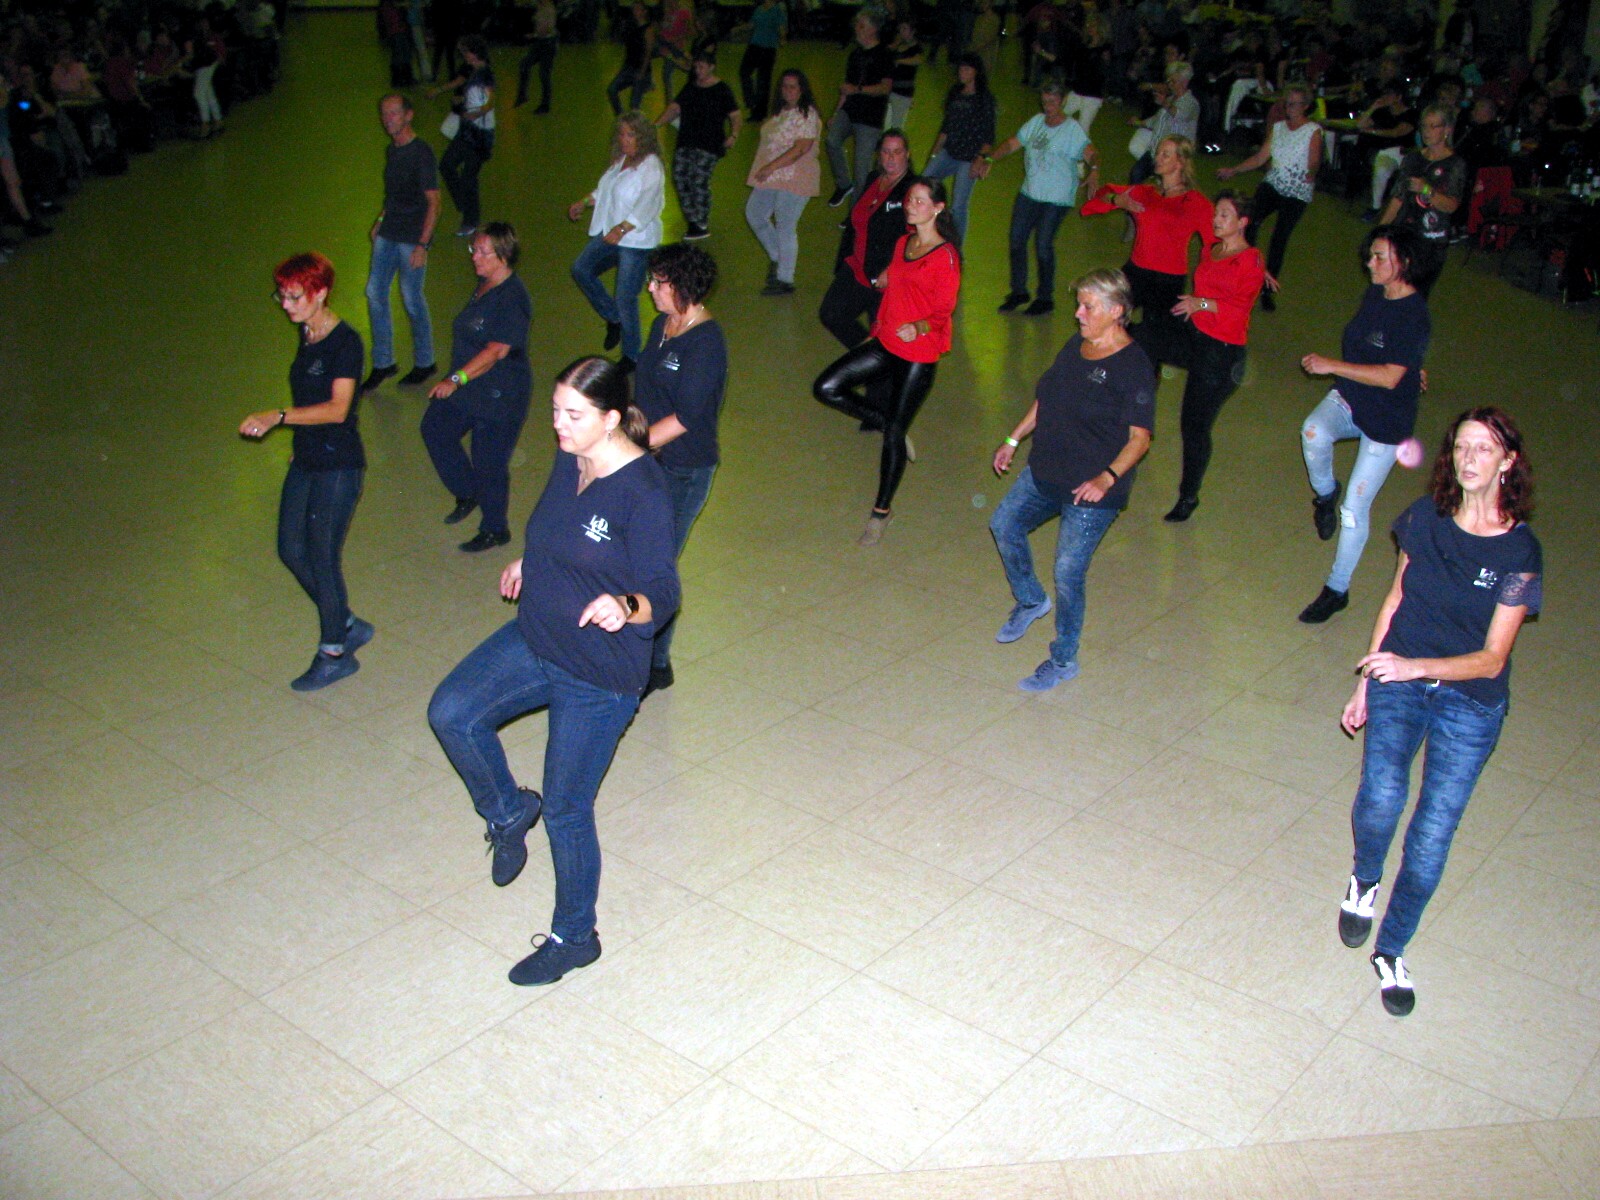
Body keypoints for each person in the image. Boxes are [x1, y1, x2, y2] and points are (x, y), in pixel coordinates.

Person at [428, 356, 679, 987]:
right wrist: (529, 561)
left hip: (598, 673)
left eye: (573, 414)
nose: (558, 426)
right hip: (539, 636)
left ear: (611, 419)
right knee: (452, 713)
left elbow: (664, 590)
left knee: (567, 808)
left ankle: (576, 937)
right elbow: (552, 532)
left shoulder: (644, 492)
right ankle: (509, 811)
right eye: (555, 412)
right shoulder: (573, 458)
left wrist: (625, 606)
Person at [1337, 407, 1541, 1017]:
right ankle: (1365, 878)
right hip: (1400, 674)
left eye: (1485, 448)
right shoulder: (1424, 517)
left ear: (1507, 462)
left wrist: (1412, 667)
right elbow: (1396, 598)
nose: (1469, 458)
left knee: (1430, 837)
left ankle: (1392, 947)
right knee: (1382, 795)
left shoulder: (1520, 553)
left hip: (1470, 701)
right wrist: (1370, 680)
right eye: (1462, 446)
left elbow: (1492, 659)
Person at [989, 268, 1155, 691]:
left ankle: (1063, 659)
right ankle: (1031, 600)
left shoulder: (1134, 366)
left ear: (1116, 311)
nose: (1078, 313)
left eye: (1088, 306)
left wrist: (1107, 478)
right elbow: (1047, 398)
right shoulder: (1076, 345)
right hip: (1047, 469)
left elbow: (1140, 439)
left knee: (1067, 572)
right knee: (1004, 525)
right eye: (1079, 304)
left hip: (1092, 490)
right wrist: (1013, 438)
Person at [239, 253, 372, 691]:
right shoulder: (307, 331)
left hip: (339, 465)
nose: (285, 305)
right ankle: (346, 622)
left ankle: (334, 653)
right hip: (308, 458)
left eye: (294, 297)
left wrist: (278, 417)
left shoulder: (345, 343)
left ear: (321, 293)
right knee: (290, 548)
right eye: (281, 295)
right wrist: (298, 445)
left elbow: (337, 409)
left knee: (321, 557)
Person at [813, 177, 961, 546]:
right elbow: (892, 292)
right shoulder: (902, 243)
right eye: (910, 199)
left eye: (921, 201)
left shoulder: (945, 257)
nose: (911, 205)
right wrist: (876, 330)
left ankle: (881, 512)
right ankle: (889, 424)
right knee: (827, 387)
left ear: (938, 208)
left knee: (892, 436)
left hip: (919, 353)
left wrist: (919, 326)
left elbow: (944, 311)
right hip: (885, 341)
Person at [1297, 225, 1432, 624]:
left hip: (1387, 420)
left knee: (1354, 510)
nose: (1369, 263)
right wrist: (1412, 367)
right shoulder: (1376, 293)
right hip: (1352, 398)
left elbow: (1390, 376)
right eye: (1370, 255)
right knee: (1313, 431)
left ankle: (1337, 589)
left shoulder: (1415, 315)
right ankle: (1325, 494)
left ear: (1404, 263)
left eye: (1379, 257)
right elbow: (1373, 346)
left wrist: (1332, 366)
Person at [635, 243, 727, 695]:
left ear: (686, 286)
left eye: (659, 282)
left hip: (683, 470)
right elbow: (645, 388)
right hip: (650, 462)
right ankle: (640, 653)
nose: (650, 289)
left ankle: (655, 664)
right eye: (651, 280)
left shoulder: (706, 343)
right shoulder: (662, 325)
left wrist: (628, 448)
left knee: (656, 567)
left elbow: (688, 416)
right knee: (637, 558)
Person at [422, 222, 534, 552]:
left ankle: (495, 529)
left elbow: (496, 351)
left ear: (504, 256)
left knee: (489, 463)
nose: (474, 257)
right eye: (474, 249)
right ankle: (468, 492)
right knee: (436, 428)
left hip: (500, 392)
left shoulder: (512, 298)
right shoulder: (484, 284)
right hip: (472, 384)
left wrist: (455, 379)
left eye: (483, 252)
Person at [1163, 190, 1265, 522]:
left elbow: (1238, 310)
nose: (1216, 220)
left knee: (1194, 426)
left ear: (1242, 222)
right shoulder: (1211, 249)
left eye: (1224, 215)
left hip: (1222, 355)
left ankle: (1188, 496)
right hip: (1196, 336)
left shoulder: (1251, 260)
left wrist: (1201, 303)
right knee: (1144, 336)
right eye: (1216, 214)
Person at [981, 81, 1100, 317]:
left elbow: (1091, 152)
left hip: (1056, 198)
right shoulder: (1036, 122)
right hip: (1030, 193)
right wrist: (991, 158)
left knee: (1043, 245)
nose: (1048, 106)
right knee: (1017, 241)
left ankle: (1045, 298)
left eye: (1053, 101)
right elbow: (1013, 143)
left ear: (1063, 101)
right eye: (1045, 101)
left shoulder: (1072, 129)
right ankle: (1019, 292)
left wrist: (1095, 169)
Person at [1103, 135, 1213, 367]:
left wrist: (1247, 261)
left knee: (1154, 341)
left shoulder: (1195, 202)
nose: (1158, 159)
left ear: (1180, 162)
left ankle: (1145, 381)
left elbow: (1214, 244)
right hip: (1136, 271)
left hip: (1168, 280)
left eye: (1166, 155)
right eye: (1158, 153)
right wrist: (1115, 200)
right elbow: (1097, 199)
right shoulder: (1146, 192)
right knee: (1106, 315)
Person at [569, 112, 666, 365]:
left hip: (636, 241)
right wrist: (584, 202)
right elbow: (605, 190)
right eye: (621, 134)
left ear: (643, 137)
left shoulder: (651, 166)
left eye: (631, 134)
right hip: (610, 232)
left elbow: (647, 205)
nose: (624, 139)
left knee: (626, 298)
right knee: (581, 269)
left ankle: (631, 356)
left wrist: (622, 229)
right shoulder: (622, 159)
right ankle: (614, 317)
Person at [1216, 82, 1321, 312]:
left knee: (1279, 239)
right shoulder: (1279, 127)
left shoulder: (1312, 131)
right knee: (1249, 223)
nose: (1290, 108)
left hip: (1297, 191)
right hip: (1273, 184)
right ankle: (1244, 271)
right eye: (1288, 103)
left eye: (1295, 104)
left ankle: (1267, 289)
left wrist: (1311, 173)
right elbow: (1261, 157)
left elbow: (1314, 161)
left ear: (1306, 106)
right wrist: (1234, 170)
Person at [363, 93, 440, 394]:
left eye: (394, 113)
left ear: (409, 115)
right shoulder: (392, 150)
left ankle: (425, 361)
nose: (388, 119)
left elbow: (434, 203)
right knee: (374, 292)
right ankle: (384, 362)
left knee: (411, 299)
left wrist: (423, 245)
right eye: (384, 114)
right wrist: (380, 220)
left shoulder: (421, 153)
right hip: (389, 232)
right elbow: (392, 194)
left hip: (411, 238)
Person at [818, 130, 915, 350]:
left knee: (883, 335)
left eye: (897, 152)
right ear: (879, 154)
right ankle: (868, 356)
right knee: (831, 314)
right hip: (857, 266)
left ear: (907, 154)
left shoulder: (911, 189)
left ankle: (876, 362)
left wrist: (892, 269)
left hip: (884, 277)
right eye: (886, 152)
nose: (891, 157)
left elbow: (915, 237)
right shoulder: (873, 179)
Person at [746, 69, 821, 296]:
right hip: (772, 176)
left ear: (802, 89)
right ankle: (779, 257)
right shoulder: (780, 113)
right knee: (755, 213)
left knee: (785, 225)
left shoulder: (807, 114)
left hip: (796, 175)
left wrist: (770, 167)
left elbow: (801, 148)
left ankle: (785, 278)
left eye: (793, 86)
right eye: (784, 86)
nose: (788, 91)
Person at [1378, 104, 1466, 295]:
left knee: (1415, 295)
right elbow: (1398, 197)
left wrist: (1426, 190)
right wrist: (1381, 229)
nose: (1427, 131)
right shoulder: (1412, 159)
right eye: (1424, 126)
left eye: (1434, 126)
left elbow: (1451, 205)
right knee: (1391, 289)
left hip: (1431, 240)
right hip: (1404, 232)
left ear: (1447, 129)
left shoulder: (1454, 165)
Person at [656, 47, 740, 240]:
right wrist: (656, 125)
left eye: (702, 67)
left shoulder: (722, 90)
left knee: (698, 179)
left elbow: (735, 115)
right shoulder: (691, 87)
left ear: (711, 67)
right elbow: (675, 108)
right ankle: (692, 218)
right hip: (686, 140)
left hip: (710, 143)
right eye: (696, 67)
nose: (698, 71)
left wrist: (733, 135)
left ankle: (701, 221)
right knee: (680, 176)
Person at [923, 53, 996, 244]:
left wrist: (981, 158)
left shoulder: (984, 99)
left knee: (958, 205)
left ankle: (956, 247)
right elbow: (945, 128)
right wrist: (933, 154)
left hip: (969, 158)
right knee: (925, 184)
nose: (962, 72)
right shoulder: (955, 93)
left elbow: (989, 135)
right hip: (949, 153)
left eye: (966, 69)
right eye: (960, 68)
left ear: (976, 72)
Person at [826, 10, 895, 207]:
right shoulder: (855, 54)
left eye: (861, 25)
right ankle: (843, 184)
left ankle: (855, 214)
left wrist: (858, 89)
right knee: (832, 140)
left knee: (861, 170)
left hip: (870, 119)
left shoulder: (884, 55)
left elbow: (885, 88)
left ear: (873, 29)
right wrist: (836, 113)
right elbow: (846, 88)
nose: (857, 29)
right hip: (849, 111)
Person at [432, 36, 496, 236]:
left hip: (480, 135)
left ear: (474, 53)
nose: (464, 56)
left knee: (469, 177)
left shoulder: (485, 74)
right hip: (466, 130)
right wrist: (462, 100)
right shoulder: (474, 71)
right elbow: (475, 96)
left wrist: (477, 113)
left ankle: (471, 219)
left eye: (465, 52)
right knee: (447, 165)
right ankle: (465, 204)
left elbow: (490, 101)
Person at [1128, 61, 1197, 184]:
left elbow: (1179, 114)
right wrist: (1139, 122)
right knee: (1135, 174)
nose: (1170, 85)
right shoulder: (1170, 99)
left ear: (1184, 82)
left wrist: (1164, 103)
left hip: (1174, 157)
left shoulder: (1191, 103)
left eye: (1173, 81)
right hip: (1155, 151)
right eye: (1169, 81)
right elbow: (1156, 120)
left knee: (1168, 187)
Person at [739, 0, 786, 122]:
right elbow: (751, 25)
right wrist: (739, 28)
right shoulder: (759, 9)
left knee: (763, 81)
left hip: (768, 49)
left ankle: (759, 113)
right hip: (754, 46)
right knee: (744, 72)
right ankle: (751, 102)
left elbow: (781, 28)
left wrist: (782, 38)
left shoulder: (778, 10)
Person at [607, 2, 656, 116]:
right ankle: (621, 116)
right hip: (628, 67)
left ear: (644, 12)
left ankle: (634, 123)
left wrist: (642, 72)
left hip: (641, 69)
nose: (635, 11)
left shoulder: (648, 30)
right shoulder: (630, 26)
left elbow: (648, 53)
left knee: (634, 105)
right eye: (634, 9)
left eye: (638, 9)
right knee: (612, 89)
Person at [514, 0, 558, 112]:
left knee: (544, 74)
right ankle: (522, 95)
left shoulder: (549, 9)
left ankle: (545, 104)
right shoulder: (540, 5)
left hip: (548, 44)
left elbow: (548, 28)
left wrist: (534, 34)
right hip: (540, 42)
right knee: (524, 65)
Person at [885, 18, 924, 132]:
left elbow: (918, 60)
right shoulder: (899, 45)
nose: (901, 31)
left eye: (905, 29)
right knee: (886, 124)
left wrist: (899, 61)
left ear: (913, 31)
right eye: (900, 29)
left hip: (903, 93)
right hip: (890, 89)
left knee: (896, 126)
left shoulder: (917, 48)